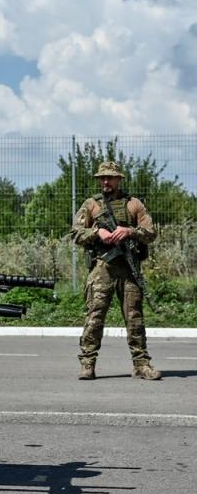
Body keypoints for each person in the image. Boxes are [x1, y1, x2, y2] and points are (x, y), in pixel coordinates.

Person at [71, 161, 160, 381]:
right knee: (95, 316)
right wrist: (97, 233)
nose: (105, 181)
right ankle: (87, 363)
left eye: (110, 177)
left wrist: (129, 231)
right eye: (102, 178)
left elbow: (150, 233)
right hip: (103, 267)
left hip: (129, 269)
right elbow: (76, 233)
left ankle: (141, 364)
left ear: (119, 179)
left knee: (135, 318)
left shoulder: (134, 205)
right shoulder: (91, 205)